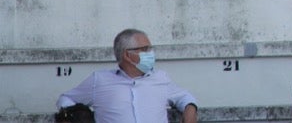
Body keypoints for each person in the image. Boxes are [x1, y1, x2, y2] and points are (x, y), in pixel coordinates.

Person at [56, 29, 198, 123]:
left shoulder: (160, 78)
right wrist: (74, 112)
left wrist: (190, 109)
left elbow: (184, 97)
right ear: (127, 55)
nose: (150, 53)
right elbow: (65, 98)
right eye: (145, 49)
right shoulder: (99, 80)